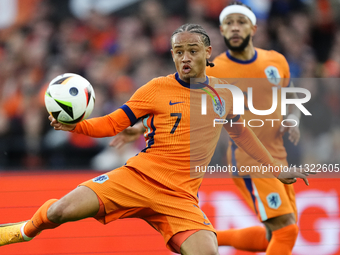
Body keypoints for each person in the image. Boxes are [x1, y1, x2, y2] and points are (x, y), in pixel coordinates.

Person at [0, 24, 310, 255]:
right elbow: (113, 123)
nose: (184, 58)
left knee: (208, 251)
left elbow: (242, 134)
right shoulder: (155, 89)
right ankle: (22, 232)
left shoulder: (225, 94)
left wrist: (275, 168)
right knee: (59, 212)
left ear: (207, 52)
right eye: (178, 52)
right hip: (137, 177)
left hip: (180, 197)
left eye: (192, 51)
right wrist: (76, 127)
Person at [205, 2, 302, 254]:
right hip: (248, 158)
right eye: (229, 23)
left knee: (276, 234)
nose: (235, 28)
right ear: (222, 30)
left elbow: (290, 98)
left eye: (240, 22)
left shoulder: (276, 61)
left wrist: (293, 119)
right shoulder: (214, 71)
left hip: (278, 156)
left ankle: (200, 238)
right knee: (286, 229)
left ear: (254, 27)